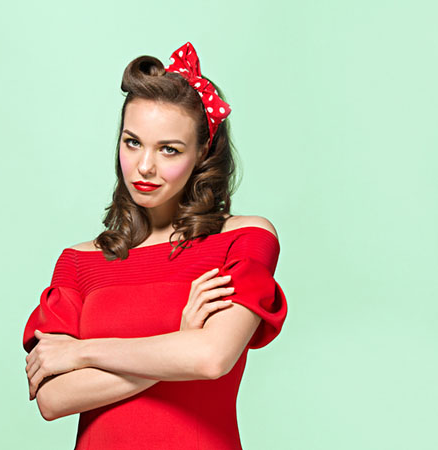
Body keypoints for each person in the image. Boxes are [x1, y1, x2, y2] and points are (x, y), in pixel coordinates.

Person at [22, 41, 288, 450]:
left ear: (202, 152)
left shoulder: (244, 239)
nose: (145, 166)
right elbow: (54, 398)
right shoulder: (79, 261)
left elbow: (210, 358)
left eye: (169, 149)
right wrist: (178, 342)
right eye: (133, 142)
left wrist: (83, 353)